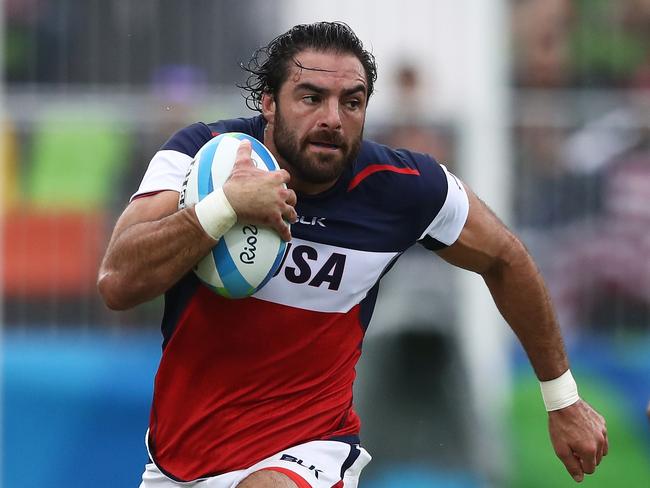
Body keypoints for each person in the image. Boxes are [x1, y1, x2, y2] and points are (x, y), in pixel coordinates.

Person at [98, 22, 608, 488]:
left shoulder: (404, 187)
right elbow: (118, 282)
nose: (332, 119)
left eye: (352, 102)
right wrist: (223, 207)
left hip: (306, 452)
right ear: (268, 103)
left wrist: (562, 399)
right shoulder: (201, 154)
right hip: (179, 462)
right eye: (311, 98)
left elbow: (505, 258)